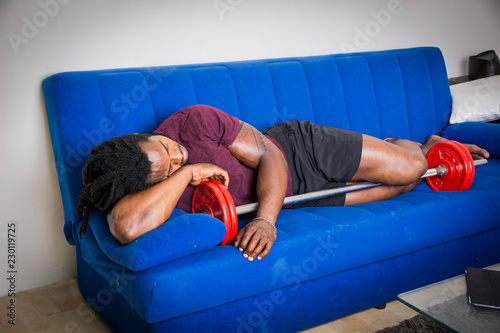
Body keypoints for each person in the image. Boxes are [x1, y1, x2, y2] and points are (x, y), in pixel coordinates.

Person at [76, 105, 489, 261]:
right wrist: (185, 174)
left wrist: (267, 220)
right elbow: (124, 226)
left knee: (409, 170)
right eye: (167, 166)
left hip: (298, 150)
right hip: (296, 197)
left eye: (166, 147)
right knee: (405, 186)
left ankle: (431, 144)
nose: (177, 155)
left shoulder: (192, 122)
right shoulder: (152, 184)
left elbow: (271, 154)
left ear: (143, 136)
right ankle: (412, 151)